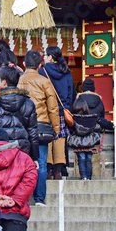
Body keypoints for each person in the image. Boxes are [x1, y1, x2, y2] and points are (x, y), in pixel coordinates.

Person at [17, 50, 59, 206]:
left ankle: (22, 197)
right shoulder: (45, 81)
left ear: (24, 64)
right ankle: (39, 198)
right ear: (40, 66)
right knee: (40, 162)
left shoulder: (19, 80)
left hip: (22, 126)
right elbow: (53, 108)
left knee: (21, 162)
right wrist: (56, 129)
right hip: (41, 126)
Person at [0, 66, 38, 160]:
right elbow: (33, 132)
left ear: (4, 82)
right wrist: (34, 157)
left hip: (0, 151)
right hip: (22, 151)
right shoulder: (28, 103)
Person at [40, 46, 73, 179]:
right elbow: (71, 93)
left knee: (47, 138)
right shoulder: (66, 72)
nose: (44, 57)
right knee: (60, 139)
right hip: (61, 111)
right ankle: (58, 171)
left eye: (45, 55)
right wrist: (67, 107)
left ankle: (48, 170)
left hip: (47, 110)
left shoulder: (42, 71)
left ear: (50, 57)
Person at [68, 96, 102, 180]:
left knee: (81, 159)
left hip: (79, 142)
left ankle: (83, 177)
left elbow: (71, 130)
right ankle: (89, 177)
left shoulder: (74, 119)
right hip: (90, 142)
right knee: (89, 160)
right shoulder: (92, 118)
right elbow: (97, 128)